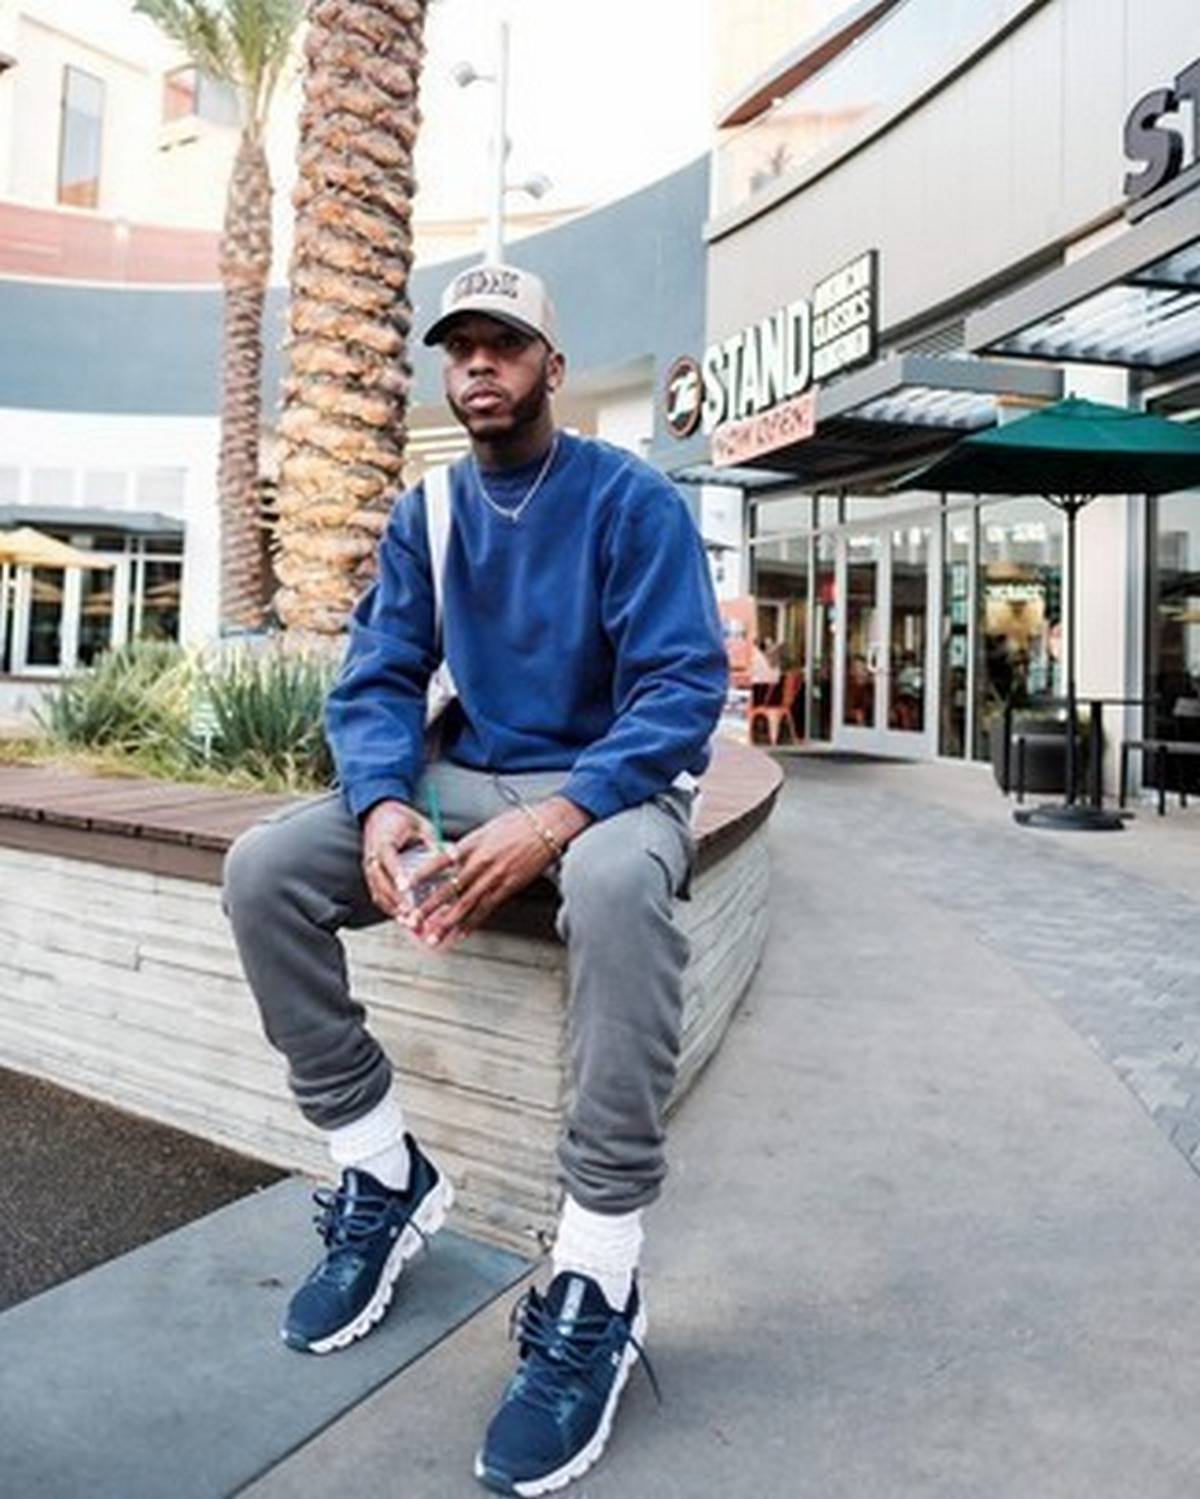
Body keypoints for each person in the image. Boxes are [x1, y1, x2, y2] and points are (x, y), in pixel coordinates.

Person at [222, 262, 728, 1495]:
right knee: (265, 867)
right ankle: (383, 1165)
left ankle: (600, 1268)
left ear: (554, 366)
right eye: (460, 349)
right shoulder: (430, 511)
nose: (480, 367)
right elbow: (381, 675)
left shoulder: (629, 499)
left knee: (610, 886)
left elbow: (680, 689)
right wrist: (389, 802)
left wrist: (555, 819)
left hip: (613, 790)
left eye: (506, 345)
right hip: (470, 779)